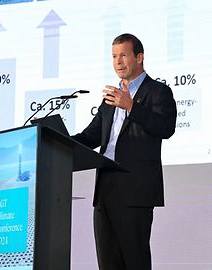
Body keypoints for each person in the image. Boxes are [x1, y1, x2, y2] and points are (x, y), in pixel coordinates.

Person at [73, 33, 177, 270]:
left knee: (135, 261)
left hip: (135, 189)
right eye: (113, 56)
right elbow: (91, 136)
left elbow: (165, 128)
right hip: (105, 188)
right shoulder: (111, 97)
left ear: (139, 57)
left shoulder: (157, 92)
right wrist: (56, 142)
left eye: (123, 55)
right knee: (108, 262)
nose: (118, 62)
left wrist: (131, 106)